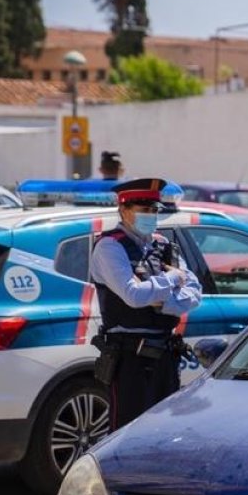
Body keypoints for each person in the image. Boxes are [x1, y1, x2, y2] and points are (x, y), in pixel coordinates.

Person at [90, 178, 202, 429]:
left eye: (154, 211)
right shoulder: (110, 246)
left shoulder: (163, 245)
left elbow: (195, 293)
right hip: (131, 358)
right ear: (124, 210)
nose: (150, 216)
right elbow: (133, 295)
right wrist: (172, 278)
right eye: (144, 210)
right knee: (128, 430)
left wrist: (164, 304)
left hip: (165, 354)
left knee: (163, 428)